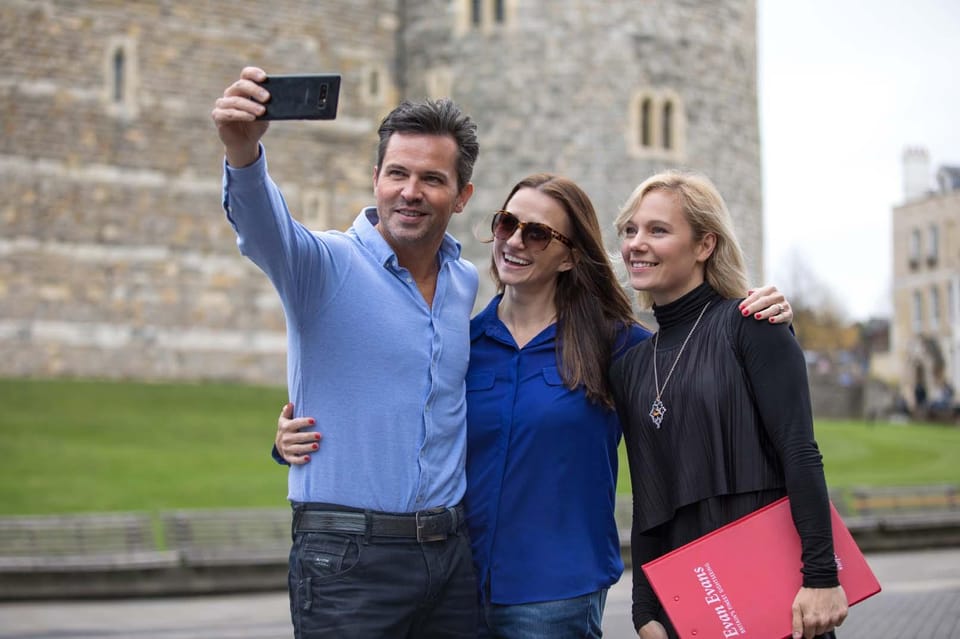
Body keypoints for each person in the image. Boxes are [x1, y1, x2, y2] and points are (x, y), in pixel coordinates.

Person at [276, 170, 794, 638]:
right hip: (453, 589)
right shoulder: (462, 344)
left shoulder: (620, 347)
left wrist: (760, 322)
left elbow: (709, 430)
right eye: (507, 224)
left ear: (569, 256)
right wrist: (288, 443)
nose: (515, 241)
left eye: (538, 233)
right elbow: (396, 423)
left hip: (556, 595)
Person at [211, 66, 480, 638]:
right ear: (375, 178)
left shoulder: (465, 282)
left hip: (452, 558)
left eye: (432, 179)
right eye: (397, 173)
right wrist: (242, 151)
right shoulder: (323, 265)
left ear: (462, 196)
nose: (410, 191)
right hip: (347, 562)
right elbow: (263, 228)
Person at [608, 170, 848, 639]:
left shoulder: (753, 324)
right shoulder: (630, 366)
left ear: (704, 245)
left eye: (658, 230)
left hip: (776, 589)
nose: (636, 243)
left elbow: (799, 452)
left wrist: (821, 577)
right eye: (630, 230)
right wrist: (644, 610)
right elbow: (648, 497)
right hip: (690, 600)